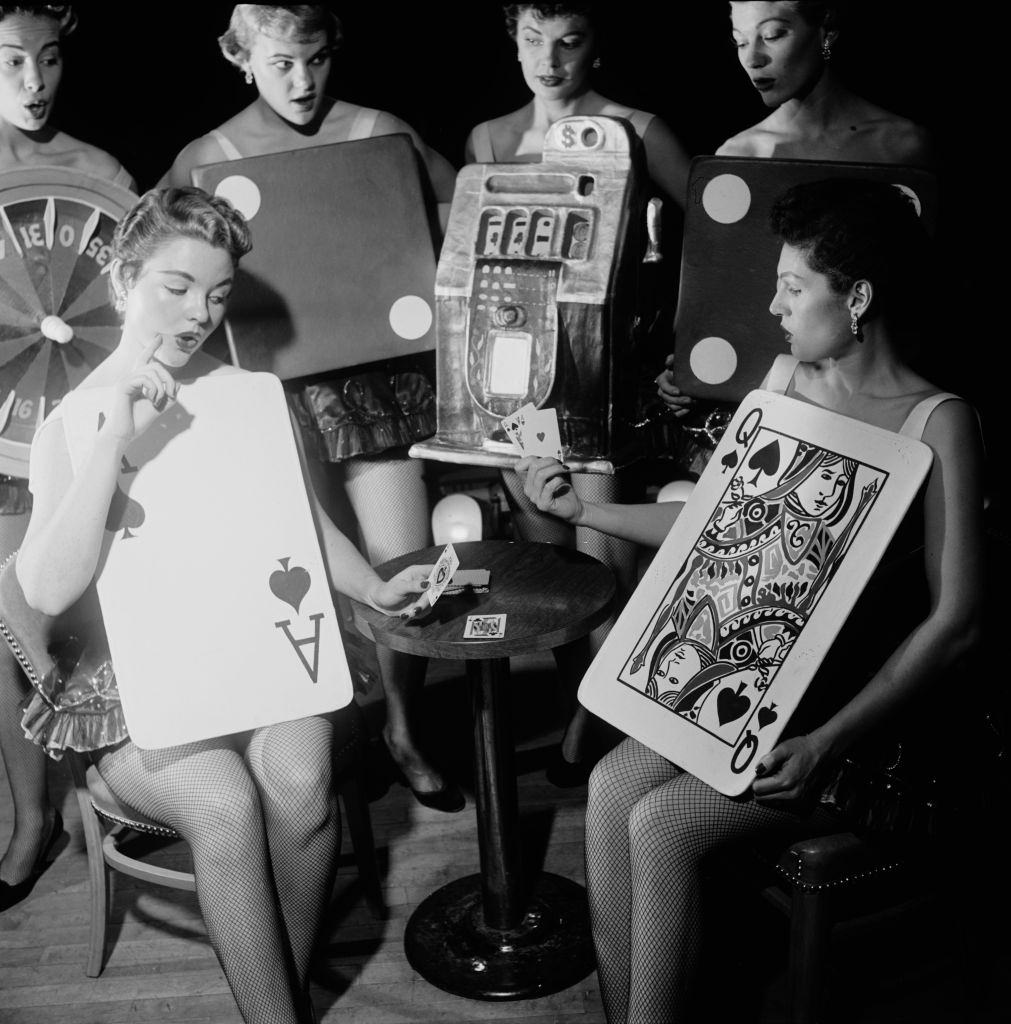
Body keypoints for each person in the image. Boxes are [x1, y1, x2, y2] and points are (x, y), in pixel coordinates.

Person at [517, 179, 984, 1022]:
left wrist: (825, 740)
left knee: (659, 825)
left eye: (793, 287)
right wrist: (581, 511)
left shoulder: (936, 423)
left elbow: (956, 624)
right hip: (751, 680)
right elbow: (709, 523)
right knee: (613, 782)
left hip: (859, 724)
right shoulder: (784, 380)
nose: (772, 305)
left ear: (859, 298)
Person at [15, 186, 434, 1024]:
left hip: (256, 653)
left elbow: (305, 526)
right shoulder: (71, 422)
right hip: (136, 694)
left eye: (215, 293)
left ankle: (279, 978)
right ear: (122, 277)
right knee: (224, 803)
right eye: (176, 287)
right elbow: (47, 588)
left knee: (303, 778)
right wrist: (113, 435)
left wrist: (372, 586)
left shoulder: (247, 397)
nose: (199, 312)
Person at [163, 5, 463, 811]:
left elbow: (464, 209)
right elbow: (165, 267)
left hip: (380, 386)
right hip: (265, 397)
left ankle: (402, 728)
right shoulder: (206, 157)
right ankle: (331, 728)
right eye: (281, 63)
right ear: (238, 55)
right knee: (296, 572)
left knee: (402, 570)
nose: (302, 81)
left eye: (317, 60)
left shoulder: (381, 131)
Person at [466, 3, 692, 782]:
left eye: (569, 40)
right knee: (547, 557)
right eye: (532, 39)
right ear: (512, 38)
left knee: (603, 565)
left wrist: (685, 354)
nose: (548, 58)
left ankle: (610, 738)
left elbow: (716, 251)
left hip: (609, 380)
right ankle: (583, 715)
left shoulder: (639, 127)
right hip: (517, 380)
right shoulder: (491, 140)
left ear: (597, 45)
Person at [0, 2, 134, 912]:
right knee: (7, 636)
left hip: (74, 441)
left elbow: (136, 311)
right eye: (11, 63)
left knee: (91, 620)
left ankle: (115, 790)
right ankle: (29, 816)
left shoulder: (98, 173)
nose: (34, 84)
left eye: (48, 60)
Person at [718, 1, 931, 165]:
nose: (752, 60)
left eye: (771, 36)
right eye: (741, 42)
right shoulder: (740, 154)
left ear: (825, 34)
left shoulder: (902, 145)